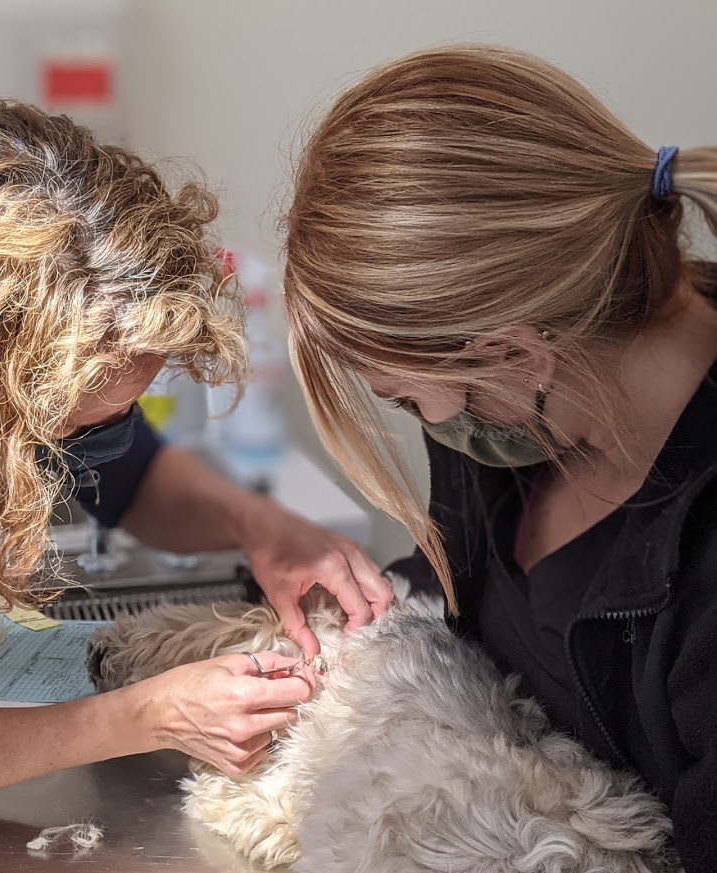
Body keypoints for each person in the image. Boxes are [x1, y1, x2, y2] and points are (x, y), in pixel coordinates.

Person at [0, 99, 391, 810]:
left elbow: (130, 477)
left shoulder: (42, 374)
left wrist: (262, 529)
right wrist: (141, 716)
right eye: (62, 428)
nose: (80, 447)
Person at [283, 45, 717, 872]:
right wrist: (344, 619)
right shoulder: (518, 422)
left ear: (515, 356)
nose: (424, 424)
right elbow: (467, 582)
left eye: (410, 400)